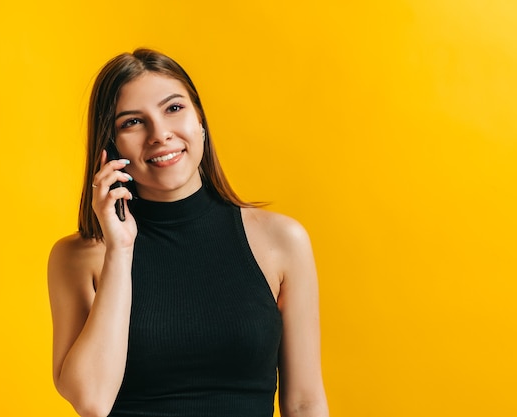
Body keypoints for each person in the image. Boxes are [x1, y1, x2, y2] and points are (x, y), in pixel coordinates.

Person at [48, 48, 328, 417]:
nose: (160, 134)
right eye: (132, 122)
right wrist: (120, 249)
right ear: (110, 145)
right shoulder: (79, 257)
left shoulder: (281, 241)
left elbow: (305, 402)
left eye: (174, 108)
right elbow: (92, 401)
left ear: (200, 121)